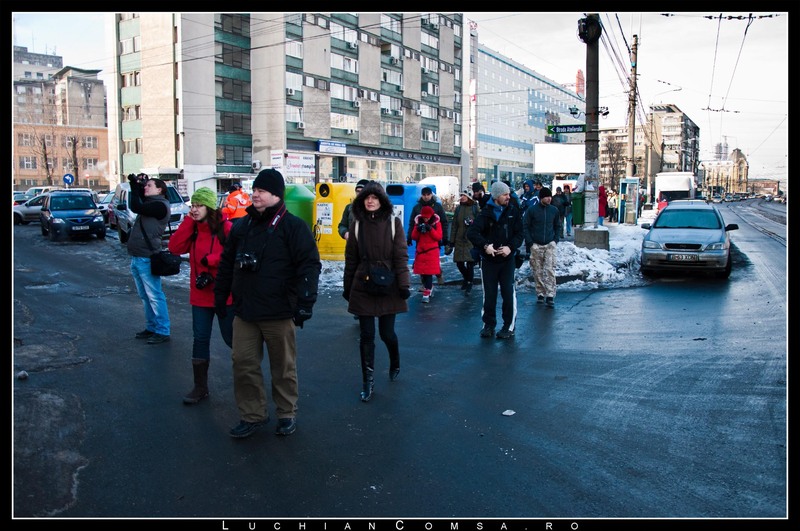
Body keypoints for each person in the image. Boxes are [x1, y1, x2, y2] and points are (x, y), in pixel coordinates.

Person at [214, 168, 321, 438]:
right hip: (245, 310)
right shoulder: (242, 226)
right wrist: (221, 297)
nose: (255, 195)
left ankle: (286, 413)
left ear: (276, 194)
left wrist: (305, 302)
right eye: (255, 190)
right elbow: (227, 264)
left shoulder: (293, 227)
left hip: (279, 311)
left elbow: (309, 265)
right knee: (243, 364)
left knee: (283, 367)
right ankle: (253, 415)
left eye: (261, 190)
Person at [343, 182, 411, 402]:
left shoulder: (393, 223)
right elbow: (351, 259)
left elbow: (400, 256)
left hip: (388, 283)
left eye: (374, 197)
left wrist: (404, 284)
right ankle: (368, 381)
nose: (370, 201)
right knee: (366, 335)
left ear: (382, 201)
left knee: (386, 333)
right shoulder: (356, 225)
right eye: (366, 197)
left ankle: (395, 361)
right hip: (363, 283)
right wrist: (347, 287)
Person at [168, 187, 234, 404]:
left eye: (199, 206)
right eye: (193, 206)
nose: (194, 209)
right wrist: (188, 222)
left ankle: (247, 382)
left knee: (233, 339)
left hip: (225, 295)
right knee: (200, 339)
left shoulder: (227, 228)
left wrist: (211, 260)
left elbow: (234, 255)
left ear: (210, 207)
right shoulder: (193, 229)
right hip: (200, 295)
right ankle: (200, 387)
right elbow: (174, 247)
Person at [467, 181, 524, 340]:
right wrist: (485, 246)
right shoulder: (485, 213)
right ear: (496, 196)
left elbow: (520, 233)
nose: (508, 197)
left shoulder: (513, 211)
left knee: (508, 293)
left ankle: (508, 326)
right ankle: (488, 325)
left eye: (508, 194)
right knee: (489, 294)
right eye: (505, 194)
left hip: (507, 260)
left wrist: (510, 248)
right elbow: (472, 233)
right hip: (489, 260)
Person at [126, 173, 172, 345]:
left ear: (160, 190)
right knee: (145, 296)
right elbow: (139, 202)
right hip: (138, 256)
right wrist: (138, 184)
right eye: (145, 185)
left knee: (154, 295)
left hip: (147, 257)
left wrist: (133, 185)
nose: (146, 187)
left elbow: (136, 206)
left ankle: (162, 330)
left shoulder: (160, 206)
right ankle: (152, 327)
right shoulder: (151, 203)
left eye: (149, 185)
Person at [523, 187, 561, 308]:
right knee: (537, 270)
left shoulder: (554, 210)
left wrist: (555, 240)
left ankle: (550, 295)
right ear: (541, 198)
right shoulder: (532, 210)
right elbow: (525, 226)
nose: (549, 199)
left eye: (550, 196)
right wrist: (530, 243)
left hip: (550, 244)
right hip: (536, 245)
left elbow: (558, 226)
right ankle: (540, 293)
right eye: (546, 197)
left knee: (550, 270)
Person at [406, 186, 448, 285]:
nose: (426, 197)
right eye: (424, 195)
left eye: (428, 194)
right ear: (421, 195)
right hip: (421, 239)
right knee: (421, 260)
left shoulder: (437, 206)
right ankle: (425, 284)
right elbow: (412, 223)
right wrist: (409, 237)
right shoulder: (417, 207)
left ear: (431, 195)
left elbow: (444, 222)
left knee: (433, 260)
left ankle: (438, 274)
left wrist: (445, 237)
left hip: (434, 238)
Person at [449, 189, 480, 295]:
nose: (462, 197)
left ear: (469, 197)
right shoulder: (458, 209)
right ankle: (466, 278)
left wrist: (472, 223)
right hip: (459, 239)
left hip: (470, 240)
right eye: (461, 195)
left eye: (464, 195)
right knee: (459, 263)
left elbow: (480, 223)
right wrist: (451, 241)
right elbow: (454, 225)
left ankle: (469, 282)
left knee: (470, 263)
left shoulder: (475, 208)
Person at [411, 205, 443, 303]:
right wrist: (417, 229)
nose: (426, 219)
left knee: (428, 273)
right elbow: (414, 237)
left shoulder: (436, 223)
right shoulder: (418, 222)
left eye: (427, 217)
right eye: (424, 217)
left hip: (431, 251)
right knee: (422, 272)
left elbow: (438, 237)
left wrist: (430, 229)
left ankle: (427, 292)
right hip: (421, 251)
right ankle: (429, 288)